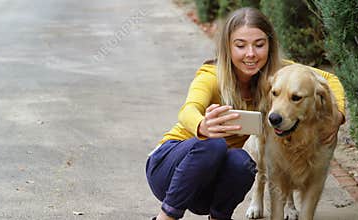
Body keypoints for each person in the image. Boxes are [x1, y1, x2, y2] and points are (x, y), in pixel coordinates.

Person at [145, 7, 345, 220]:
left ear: (269, 46)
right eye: (240, 45)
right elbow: (188, 110)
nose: (251, 54)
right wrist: (202, 125)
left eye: (259, 45)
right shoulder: (212, 76)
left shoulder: (278, 74)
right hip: (167, 169)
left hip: (205, 185)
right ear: (227, 48)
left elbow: (329, 79)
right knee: (215, 144)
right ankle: (164, 218)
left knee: (243, 162)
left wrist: (337, 116)